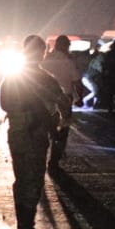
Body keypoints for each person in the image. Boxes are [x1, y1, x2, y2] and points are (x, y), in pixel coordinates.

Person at [0, 35, 69, 229]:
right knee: (35, 178)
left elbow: (4, 104)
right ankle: (27, 224)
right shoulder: (47, 79)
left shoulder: (11, 77)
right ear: (42, 53)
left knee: (21, 177)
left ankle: (23, 222)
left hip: (17, 132)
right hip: (36, 134)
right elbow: (63, 104)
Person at [41, 34, 82, 171]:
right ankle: (54, 161)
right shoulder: (68, 62)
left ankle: (40, 157)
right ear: (66, 46)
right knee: (62, 130)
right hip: (64, 99)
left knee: (44, 128)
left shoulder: (45, 60)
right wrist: (79, 98)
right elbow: (77, 82)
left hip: (45, 99)